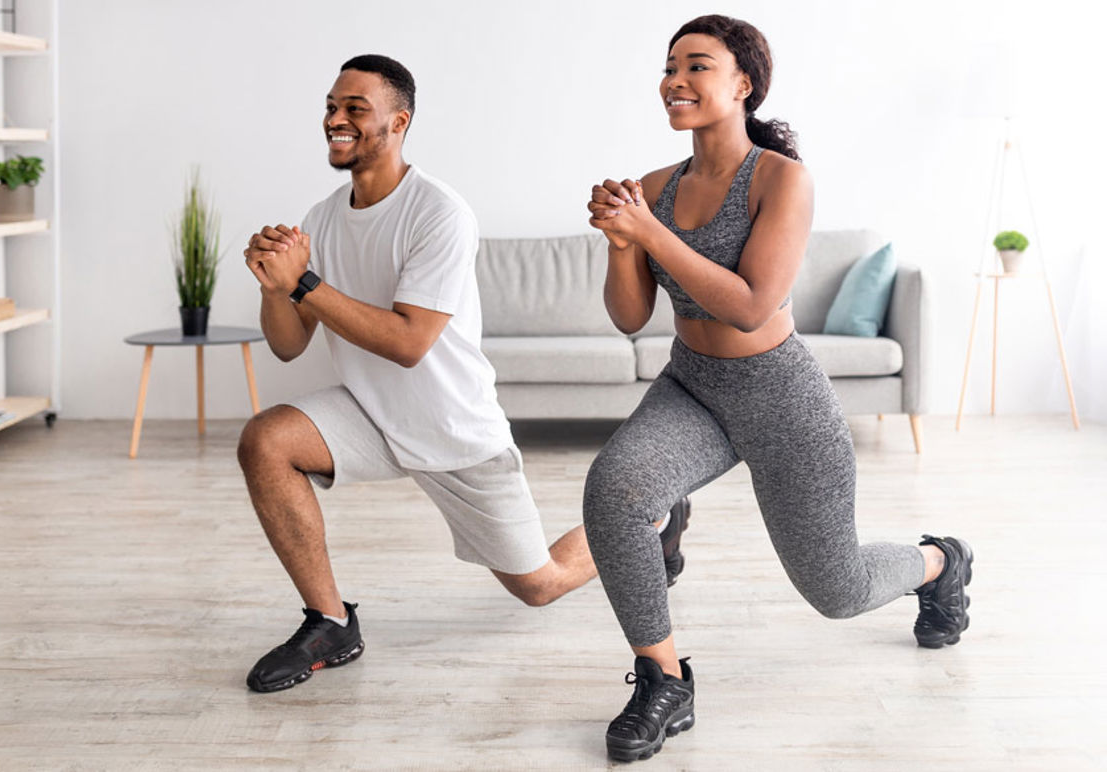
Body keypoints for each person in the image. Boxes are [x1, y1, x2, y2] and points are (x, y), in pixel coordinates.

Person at [581, 16, 974, 762]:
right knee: (614, 491)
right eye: (670, 66)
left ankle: (939, 562)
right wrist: (622, 240)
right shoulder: (656, 188)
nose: (675, 79)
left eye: (697, 65)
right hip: (692, 385)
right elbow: (630, 317)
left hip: (778, 397)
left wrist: (651, 234)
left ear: (743, 84)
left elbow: (752, 303)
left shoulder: (782, 178)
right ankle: (663, 680)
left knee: (838, 590)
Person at [237, 54, 688, 694]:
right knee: (266, 440)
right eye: (331, 107)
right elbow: (288, 346)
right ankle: (331, 623)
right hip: (369, 412)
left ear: (399, 122)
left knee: (539, 586)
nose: (335, 120)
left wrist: (303, 282)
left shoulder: (439, 213)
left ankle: (657, 526)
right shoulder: (322, 217)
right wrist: (272, 286)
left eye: (353, 109)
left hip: (451, 426)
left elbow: (410, 342)